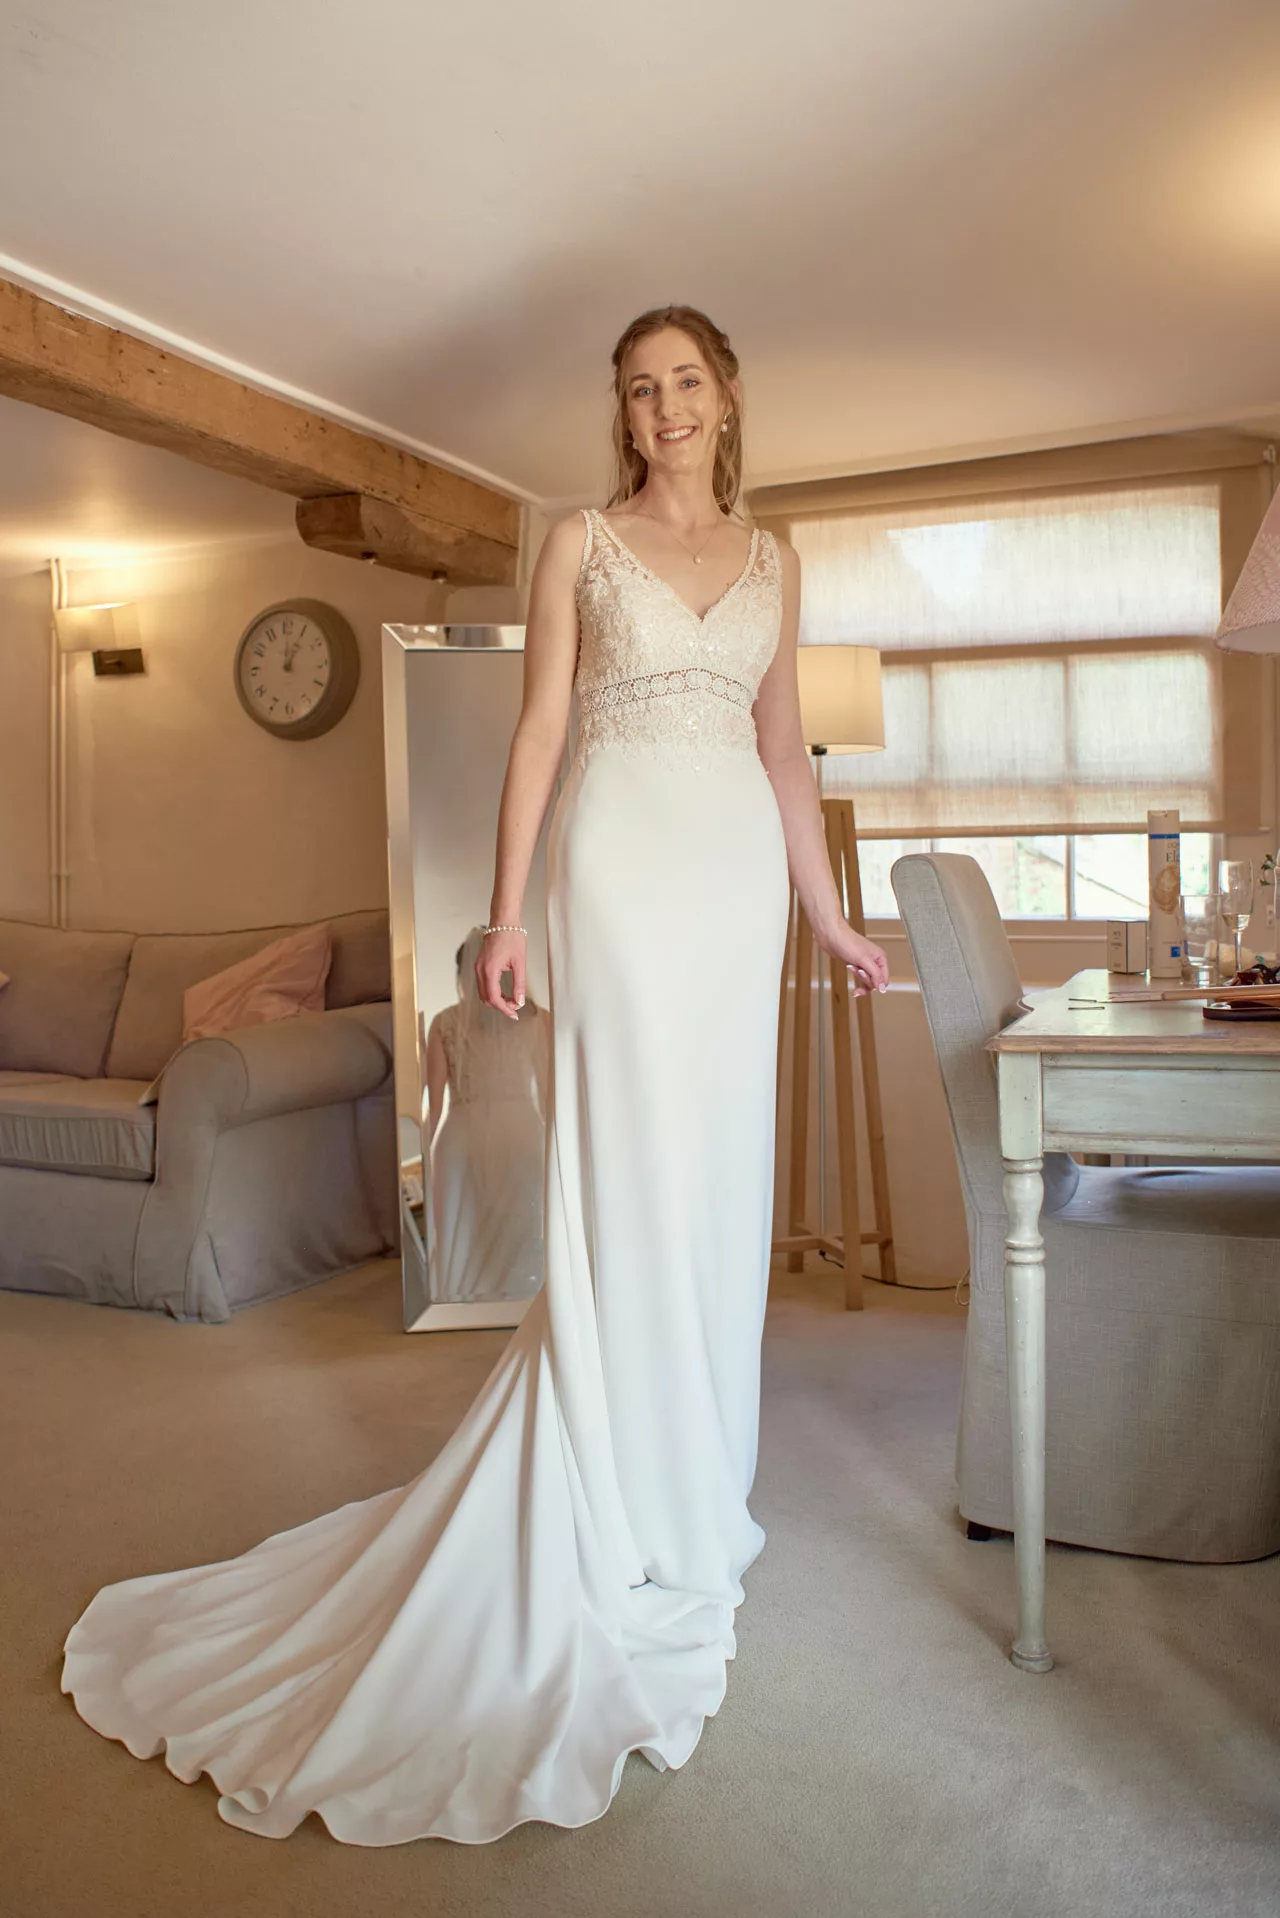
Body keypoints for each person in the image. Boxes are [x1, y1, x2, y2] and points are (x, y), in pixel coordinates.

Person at [60, 304, 888, 1847]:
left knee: (717, 1182)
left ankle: (697, 1483)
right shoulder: (578, 539)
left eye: (685, 383)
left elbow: (788, 753)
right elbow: (541, 732)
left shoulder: (778, 562)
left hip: (732, 893)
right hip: (622, 875)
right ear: (624, 414)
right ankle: (619, 1487)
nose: (662, 409)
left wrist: (830, 910)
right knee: (626, 1174)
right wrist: (505, 915)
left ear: (728, 396)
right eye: (639, 390)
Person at [424, 926, 548, 1302]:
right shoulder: (534, 1020)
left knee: (466, 1232)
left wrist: (421, 1156)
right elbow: (547, 1095)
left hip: (462, 1138)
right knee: (521, 1227)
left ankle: (461, 1302)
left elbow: (435, 1098)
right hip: (523, 1133)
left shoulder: (444, 1023)